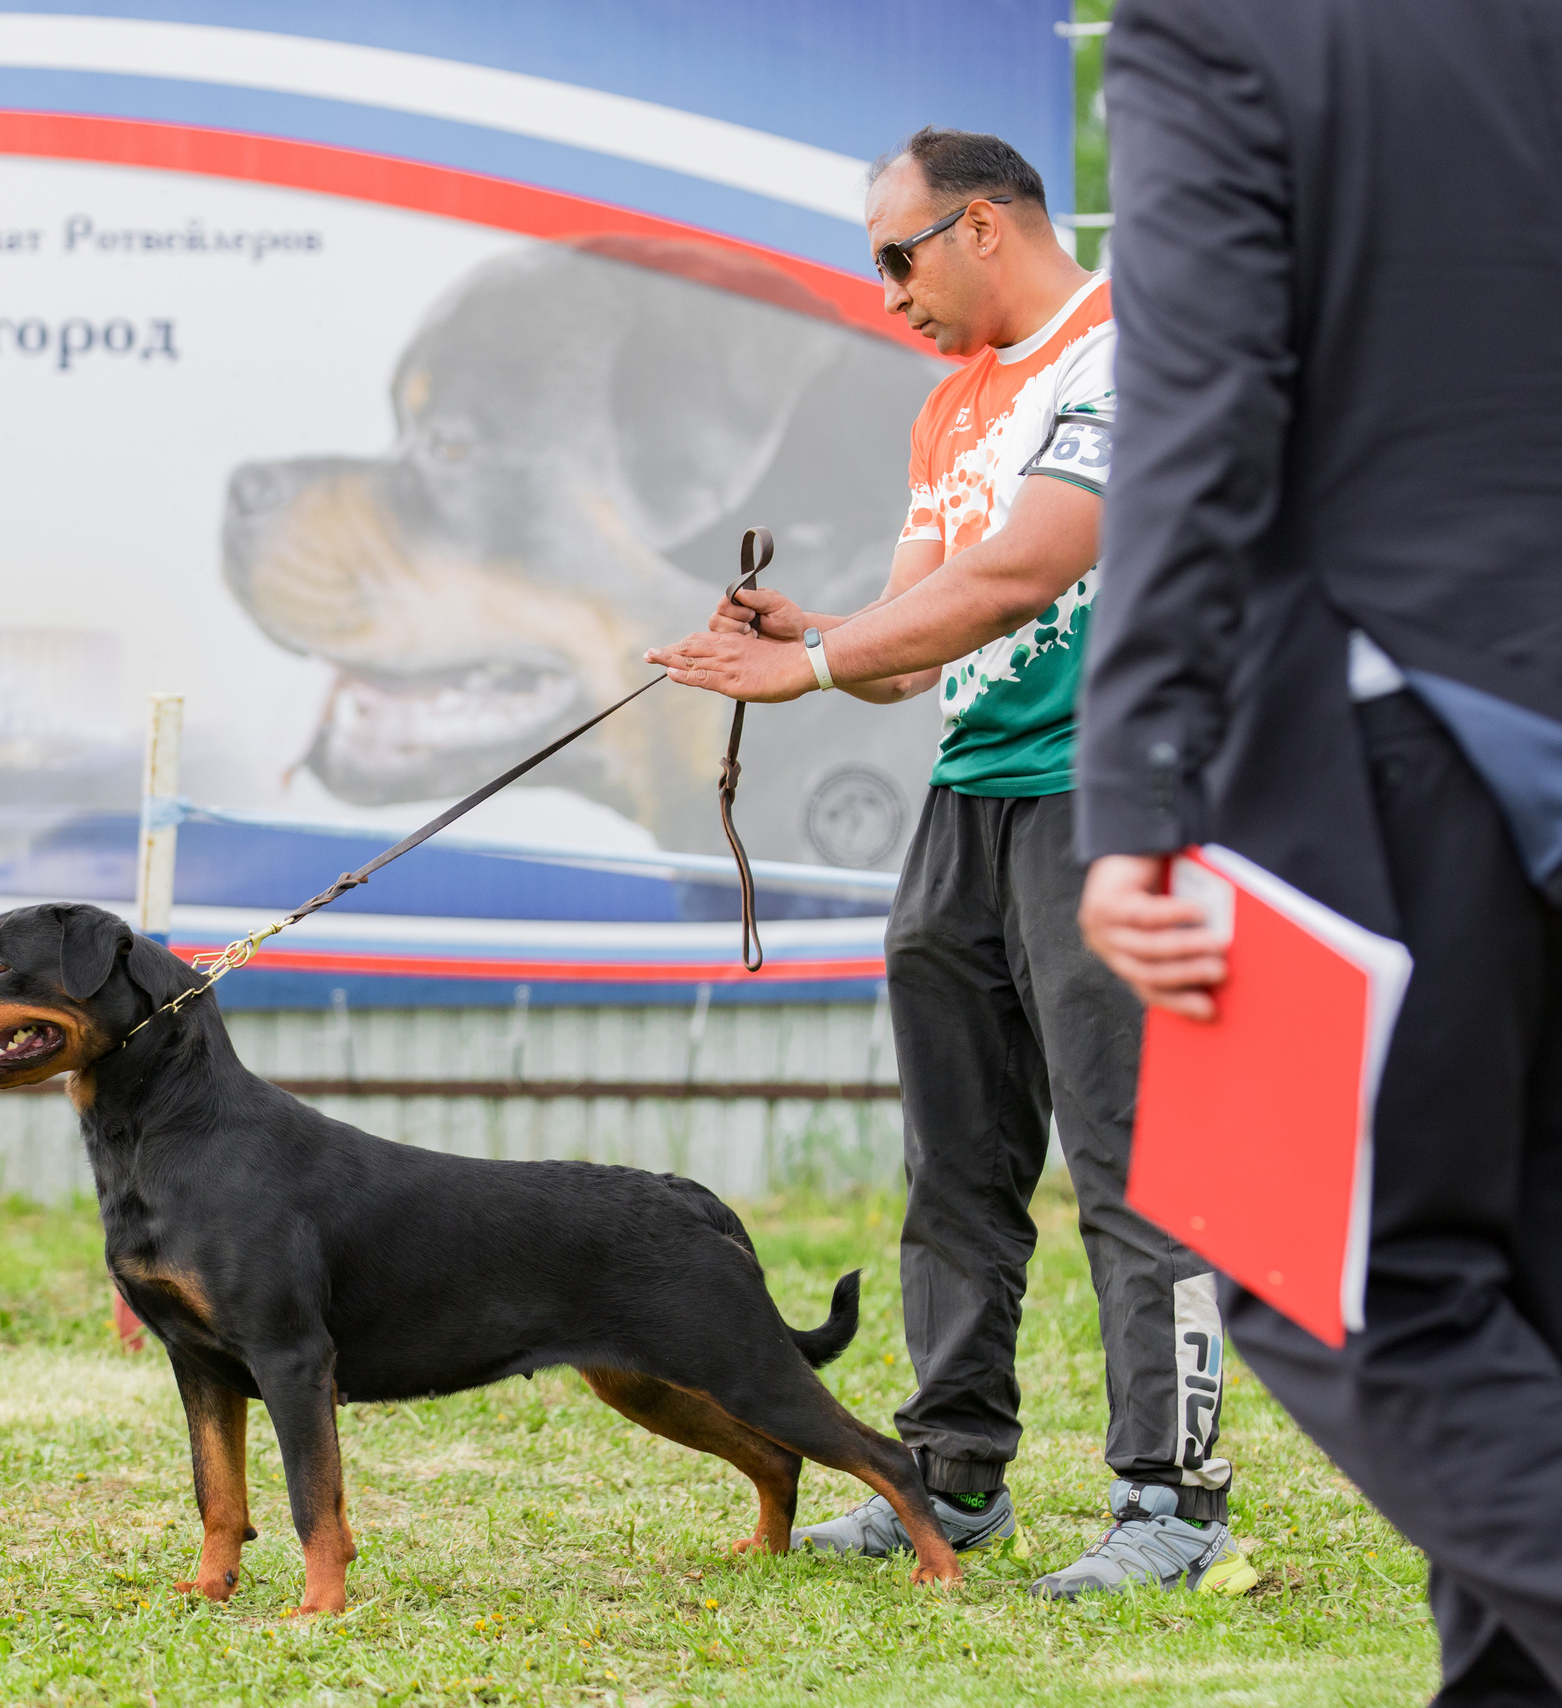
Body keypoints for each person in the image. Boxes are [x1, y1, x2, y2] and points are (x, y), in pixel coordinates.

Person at [1077, 1, 1562, 1702]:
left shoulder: (1215, 30)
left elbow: (1200, 412)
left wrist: (1133, 790)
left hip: (1391, 731)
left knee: (1331, 1275)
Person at [646, 126, 1254, 1601]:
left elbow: (1030, 568)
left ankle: (1174, 1504)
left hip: (1115, 793)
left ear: (985, 226)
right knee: (956, 1173)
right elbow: (915, 646)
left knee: (1129, 1165)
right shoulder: (950, 406)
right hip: (968, 801)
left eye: (897, 257)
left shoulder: (1126, 351)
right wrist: (816, 639)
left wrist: (826, 663)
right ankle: (956, 1478)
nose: (886, 292)